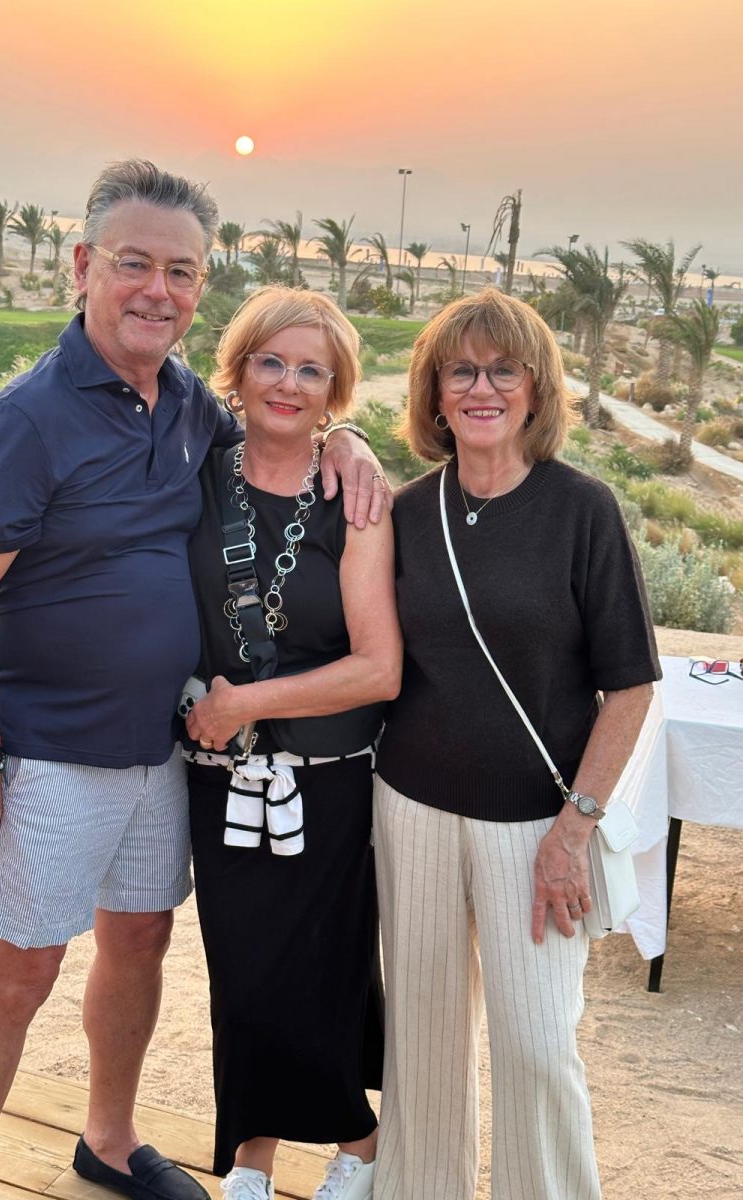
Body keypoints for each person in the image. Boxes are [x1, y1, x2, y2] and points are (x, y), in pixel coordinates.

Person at [0, 160, 388, 1200]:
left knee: (139, 941)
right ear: (82, 266)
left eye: (181, 272)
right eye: (134, 263)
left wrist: (348, 438)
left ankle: (111, 1138)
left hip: (169, 752)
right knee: (21, 970)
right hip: (51, 753)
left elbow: (280, 428)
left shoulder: (185, 405)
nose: (157, 290)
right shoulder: (28, 419)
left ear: (199, 287)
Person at [372, 288, 661, 1200]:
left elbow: (631, 687)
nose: (482, 388)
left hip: (538, 827)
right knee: (421, 1042)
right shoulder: (405, 513)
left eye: (505, 370)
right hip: (411, 807)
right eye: (461, 371)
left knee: (537, 1047)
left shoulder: (583, 511)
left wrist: (574, 830)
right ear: (435, 392)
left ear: (537, 389)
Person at [181, 286, 402, 1200]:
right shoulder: (195, 471)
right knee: (241, 974)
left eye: (313, 370)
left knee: (320, 969)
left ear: (335, 391)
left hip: (329, 781)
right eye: (270, 361)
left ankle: (360, 1141)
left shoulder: (356, 497)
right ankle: (252, 1159)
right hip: (218, 775)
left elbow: (379, 668)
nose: (288, 383)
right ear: (237, 371)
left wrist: (246, 701)